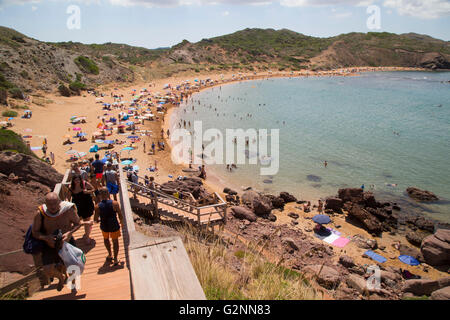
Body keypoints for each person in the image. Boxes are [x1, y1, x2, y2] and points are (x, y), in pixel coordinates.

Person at [31, 192, 86, 291]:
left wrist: (69, 233)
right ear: (46, 204)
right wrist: (46, 237)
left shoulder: (68, 210)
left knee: (73, 266)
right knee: (47, 269)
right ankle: (61, 277)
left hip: (66, 242)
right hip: (50, 244)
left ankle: (73, 284)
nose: (52, 207)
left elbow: (78, 223)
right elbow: (35, 232)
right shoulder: (40, 214)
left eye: (54, 203)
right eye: (49, 204)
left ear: (59, 202)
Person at [94, 188, 124, 266]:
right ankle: (116, 259)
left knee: (106, 239)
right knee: (115, 241)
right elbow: (120, 215)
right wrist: (122, 222)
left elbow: (95, 219)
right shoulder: (115, 203)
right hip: (113, 224)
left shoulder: (97, 206)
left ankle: (110, 254)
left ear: (100, 195)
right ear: (108, 193)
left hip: (104, 225)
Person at [68, 174, 95, 244]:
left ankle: (87, 236)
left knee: (87, 220)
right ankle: (87, 231)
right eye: (75, 180)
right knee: (77, 221)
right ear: (73, 181)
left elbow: (93, 189)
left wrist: (87, 191)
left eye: (78, 179)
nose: (77, 181)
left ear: (80, 179)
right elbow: (68, 198)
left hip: (87, 204)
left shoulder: (85, 184)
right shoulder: (71, 188)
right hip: (77, 207)